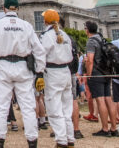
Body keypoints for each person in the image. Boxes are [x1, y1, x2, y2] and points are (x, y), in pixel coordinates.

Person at [0, 0, 46, 148]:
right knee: (28, 107)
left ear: (4, 8)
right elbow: (39, 50)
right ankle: (32, 143)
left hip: (3, 66)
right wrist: (40, 73)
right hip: (23, 66)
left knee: (1, 108)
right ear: (17, 8)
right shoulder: (26, 26)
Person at [39, 9, 75, 148]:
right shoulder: (65, 35)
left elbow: (41, 55)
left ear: (45, 21)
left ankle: (61, 140)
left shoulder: (46, 36)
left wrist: (39, 73)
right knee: (66, 108)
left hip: (53, 71)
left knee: (54, 109)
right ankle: (70, 138)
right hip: (65, 70)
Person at [83, 20, 118, 137]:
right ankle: (114, 128)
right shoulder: (102, 39)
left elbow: (90, 60)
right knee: (109, 99)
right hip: (107, 72)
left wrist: (88, 74)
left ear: (87, 30)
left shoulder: (91, 41)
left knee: (100, 100)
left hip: (97, 73)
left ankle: (105, 128)